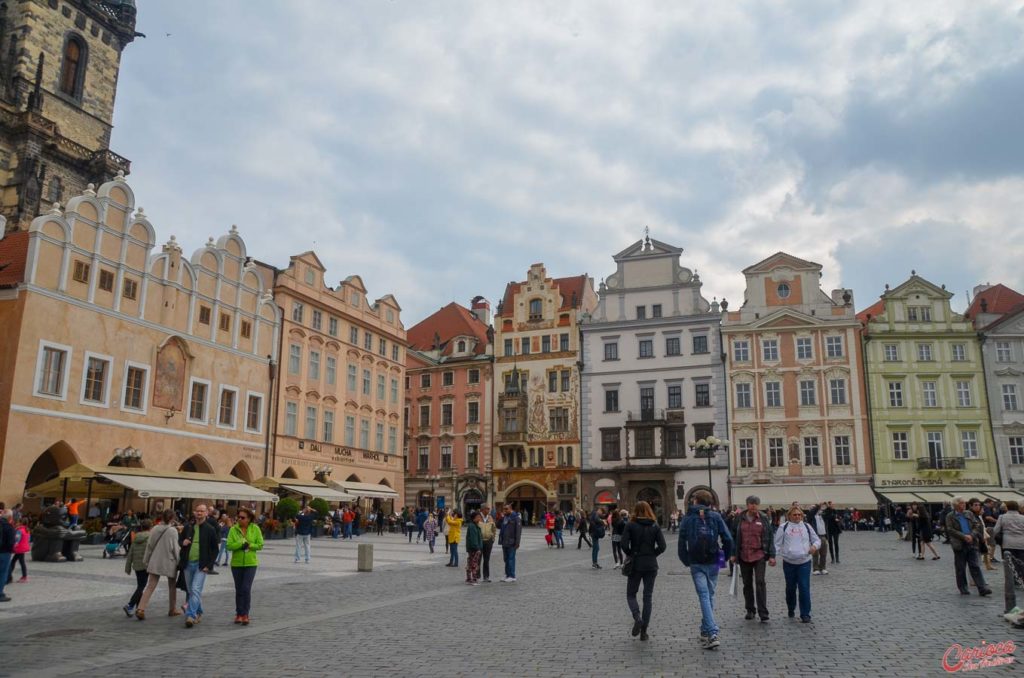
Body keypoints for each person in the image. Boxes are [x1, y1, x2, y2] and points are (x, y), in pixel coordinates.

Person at [678, 490, 733, 650]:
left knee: (704, 595)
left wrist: (685, 559)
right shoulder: (716, 516)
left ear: (695, 501)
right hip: (714, 559)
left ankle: (711, 632)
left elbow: (681, 541)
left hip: (696, 561)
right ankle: (705, 629)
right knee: (709, 594)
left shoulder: (688, 518)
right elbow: (728, 539)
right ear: (709, 502)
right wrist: (725, 556)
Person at [621, 500, 667, 641]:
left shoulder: (630, 524)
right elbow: (663, 546)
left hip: (636, 563)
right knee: (648, 597)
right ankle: (644, 632)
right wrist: (653, 554)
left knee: (631, 594)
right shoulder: (655, 525)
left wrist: (631, 553)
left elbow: (623, 544)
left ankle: (637, 617)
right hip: (651, 564)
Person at [729, 496, 776, 623]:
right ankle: (750, 609)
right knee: (747, 584)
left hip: (759, 554)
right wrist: (733, 553)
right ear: (747, 505)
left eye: (756, 504)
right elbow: (733, 536)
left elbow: (770, 537)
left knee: (760, 582)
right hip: (744, 555)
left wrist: (772, 555)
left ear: (759, 505)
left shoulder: (764, 518)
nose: (754, 506)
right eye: (751, 503)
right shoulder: (739, 518)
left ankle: (763, 612)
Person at [775, 506, 820, 623]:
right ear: (789, 516)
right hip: (789, 562)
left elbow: (817, 540)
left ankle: (805, 613)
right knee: (790, 588)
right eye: (794, 515)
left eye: (799, 515)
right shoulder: (783, 527)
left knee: (804, 587)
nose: (797, 517)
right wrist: (774, 556)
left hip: (804, 562)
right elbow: (777, 544)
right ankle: (791, 607)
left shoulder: (807, 527)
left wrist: (814, 547)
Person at [135, 509, 181, 620]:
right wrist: (179, 561)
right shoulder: (173, 531)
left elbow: (149, 546)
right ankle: (172, 609)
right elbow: (175, 548)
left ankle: (141, 608)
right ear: (172, 519)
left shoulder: (154, 528)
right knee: (172, 586)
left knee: (150, 585)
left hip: (155, 560)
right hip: (169, 561)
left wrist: (146, 560)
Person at [179, 504, 219, 628]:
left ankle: (191, 615)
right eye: (197, 511)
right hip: (188, 563)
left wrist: (209, 565)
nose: (199, 513)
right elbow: (180, 540)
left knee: (195, 589)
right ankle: (199, 611)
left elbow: (215, 549)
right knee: (191, 591)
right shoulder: (188, 527)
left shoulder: (210, 529)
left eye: (202, 511)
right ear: (194, 513)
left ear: (206, 513)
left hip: (201, 565)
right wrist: (182, 542)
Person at [945, 497, 992, 595]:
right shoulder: (950, 516)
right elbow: (950, 529)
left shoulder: (969, 514)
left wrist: (971, 535)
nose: (964, 504)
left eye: (964, 503)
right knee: (961, 567)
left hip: (972, 542)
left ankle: (982, 588)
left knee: (975, 566)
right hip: (959, 544)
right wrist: (963, 536)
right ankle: (963, 587)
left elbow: (976, 525)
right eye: (962, 503)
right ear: (956, 505)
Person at [227, 507, 263, 625]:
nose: (239, 519)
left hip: (250, 563)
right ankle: (239, 614)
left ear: (249, 519)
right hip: (236, 564)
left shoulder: (255, 529)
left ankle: (245, 614)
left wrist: (250, 545)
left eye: (242, 517)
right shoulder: (233, 529)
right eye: (238, 517)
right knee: (239, 589)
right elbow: (229, 545)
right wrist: (240, 544)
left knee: (246, 588)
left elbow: (260, 545)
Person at [992, 500, 1024, 620]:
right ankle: (1021, 579)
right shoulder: (1022, 518)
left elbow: (996, 530)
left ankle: (1013, 581)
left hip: (1008, 543)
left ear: (1007, 507)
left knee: (1010, 564)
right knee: (1021, 563)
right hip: (1021, 543)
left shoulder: (1002, 517)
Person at [122, 519, 152, 616]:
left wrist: (128, 566)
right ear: (150, 527)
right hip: (145, 565)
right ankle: (130, 605)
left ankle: (139, 609)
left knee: (140, 586)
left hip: (137, 565)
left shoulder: (136, 537)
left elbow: (130, 552)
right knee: (141, 587)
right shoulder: (150, 537)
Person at [499, 504, 522, 582]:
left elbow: (518, 531)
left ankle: (512, 575)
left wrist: (517, 542)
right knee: (506, 559)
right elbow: (498, 526)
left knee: (511, 559)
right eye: (504, 509)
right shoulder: (504, 517)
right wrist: (500, 518)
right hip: (504, 541)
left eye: (506, 509)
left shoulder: (516, 518)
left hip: (512, 542)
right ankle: (507, 574)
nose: (505, 511)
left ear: (510, 509)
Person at [805, 503, 830, 575]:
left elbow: (828, 513)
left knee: (823, 553)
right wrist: (817, 506)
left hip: (823, 536)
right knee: (816, 554)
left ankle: (823, 568)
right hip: (816, 537)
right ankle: (815, 568)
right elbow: (812, 512)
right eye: (814, 508)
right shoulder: (811, 517)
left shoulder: (822, 516)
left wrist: (828, 506)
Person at [7, 516, 31, 585]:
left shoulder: (19, 530)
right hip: (23, 548)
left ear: (20, 522)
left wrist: (14, 546)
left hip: (19, 548)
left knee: (15, 562)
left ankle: (11, 576)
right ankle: (23, 576)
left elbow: (17, 539)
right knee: (18, 561)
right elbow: (29, 539)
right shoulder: (27, 530)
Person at [0, 510, 14, 602]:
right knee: (2, 573)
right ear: (10, 518)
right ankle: (0, 593)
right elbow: (10, 542)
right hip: (4, 552)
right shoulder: (9, 527)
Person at [465, 511, 483, 585]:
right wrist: (477, 548)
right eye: (478, 517)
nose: (479, 518)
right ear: (474, 518)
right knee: (474, 563)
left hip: (473, 548)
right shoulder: (472, 526)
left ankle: (469, 578)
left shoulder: (475, 525)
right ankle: (473, 579)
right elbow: (473, 538)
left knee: (470, 562)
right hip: (474, 548)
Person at [480, 505, 496, 581]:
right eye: (487, 509)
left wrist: (493, 538)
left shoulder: (490, 518)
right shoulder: (478, 517)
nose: (489, 510)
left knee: (486, 560)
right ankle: (477, 576)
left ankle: (486, 576)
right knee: (478, 559)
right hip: (480, 541)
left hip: (488, 541)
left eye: (489, 509)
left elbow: (494, 529)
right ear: (483, 509)